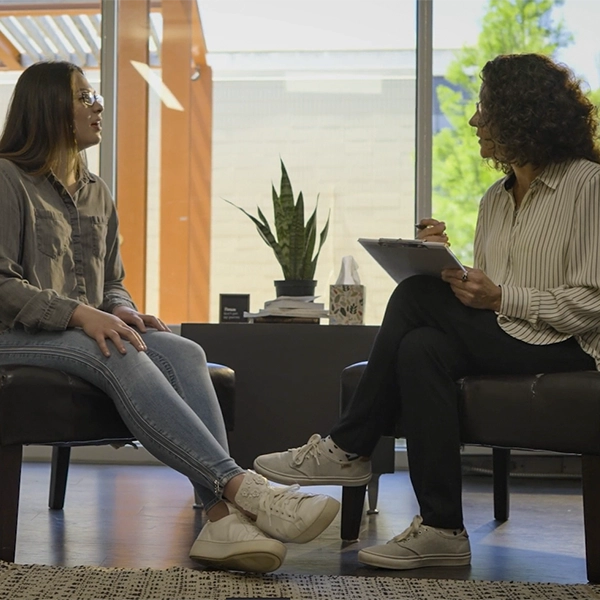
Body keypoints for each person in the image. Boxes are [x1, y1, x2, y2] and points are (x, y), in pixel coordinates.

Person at [254, 53, 600, 570]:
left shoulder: (588, 185)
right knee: (421, 346)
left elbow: (593, 304)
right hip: (511, 336)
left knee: (417, 300)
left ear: (521, 112)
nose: (474, 120)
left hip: (572, 346)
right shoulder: (494, 200)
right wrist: (449, 267)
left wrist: (500, 297)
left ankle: (349, 446)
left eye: (485, 108)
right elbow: (491, 296)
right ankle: (442, 528)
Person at [0, 61, 340, 574]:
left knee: (185, 351)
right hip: (16, 335)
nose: (98, 105)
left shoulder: (97, 191)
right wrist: (80, 315)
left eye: (96, 95)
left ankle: (220, 520)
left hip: (83, 330)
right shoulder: (6, 178)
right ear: (49, 108)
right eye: (84, 96)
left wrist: (119, 307)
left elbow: (112, 278)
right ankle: (243, 490)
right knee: (112, 347)